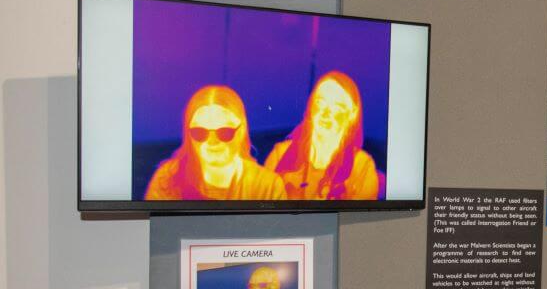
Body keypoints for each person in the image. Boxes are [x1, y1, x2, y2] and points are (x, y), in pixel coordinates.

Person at [144, 85, 286, 201]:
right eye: (200, 133)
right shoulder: (168, 178)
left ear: (242, 131)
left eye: (224, 132)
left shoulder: (267, 186)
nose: (212, 142)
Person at [265, 71, 380, 200]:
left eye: (337, 107)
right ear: (311, 106)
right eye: (320, 102)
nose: (326, 113)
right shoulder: (280, 155)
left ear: (352, 115)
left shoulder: (362, 168)